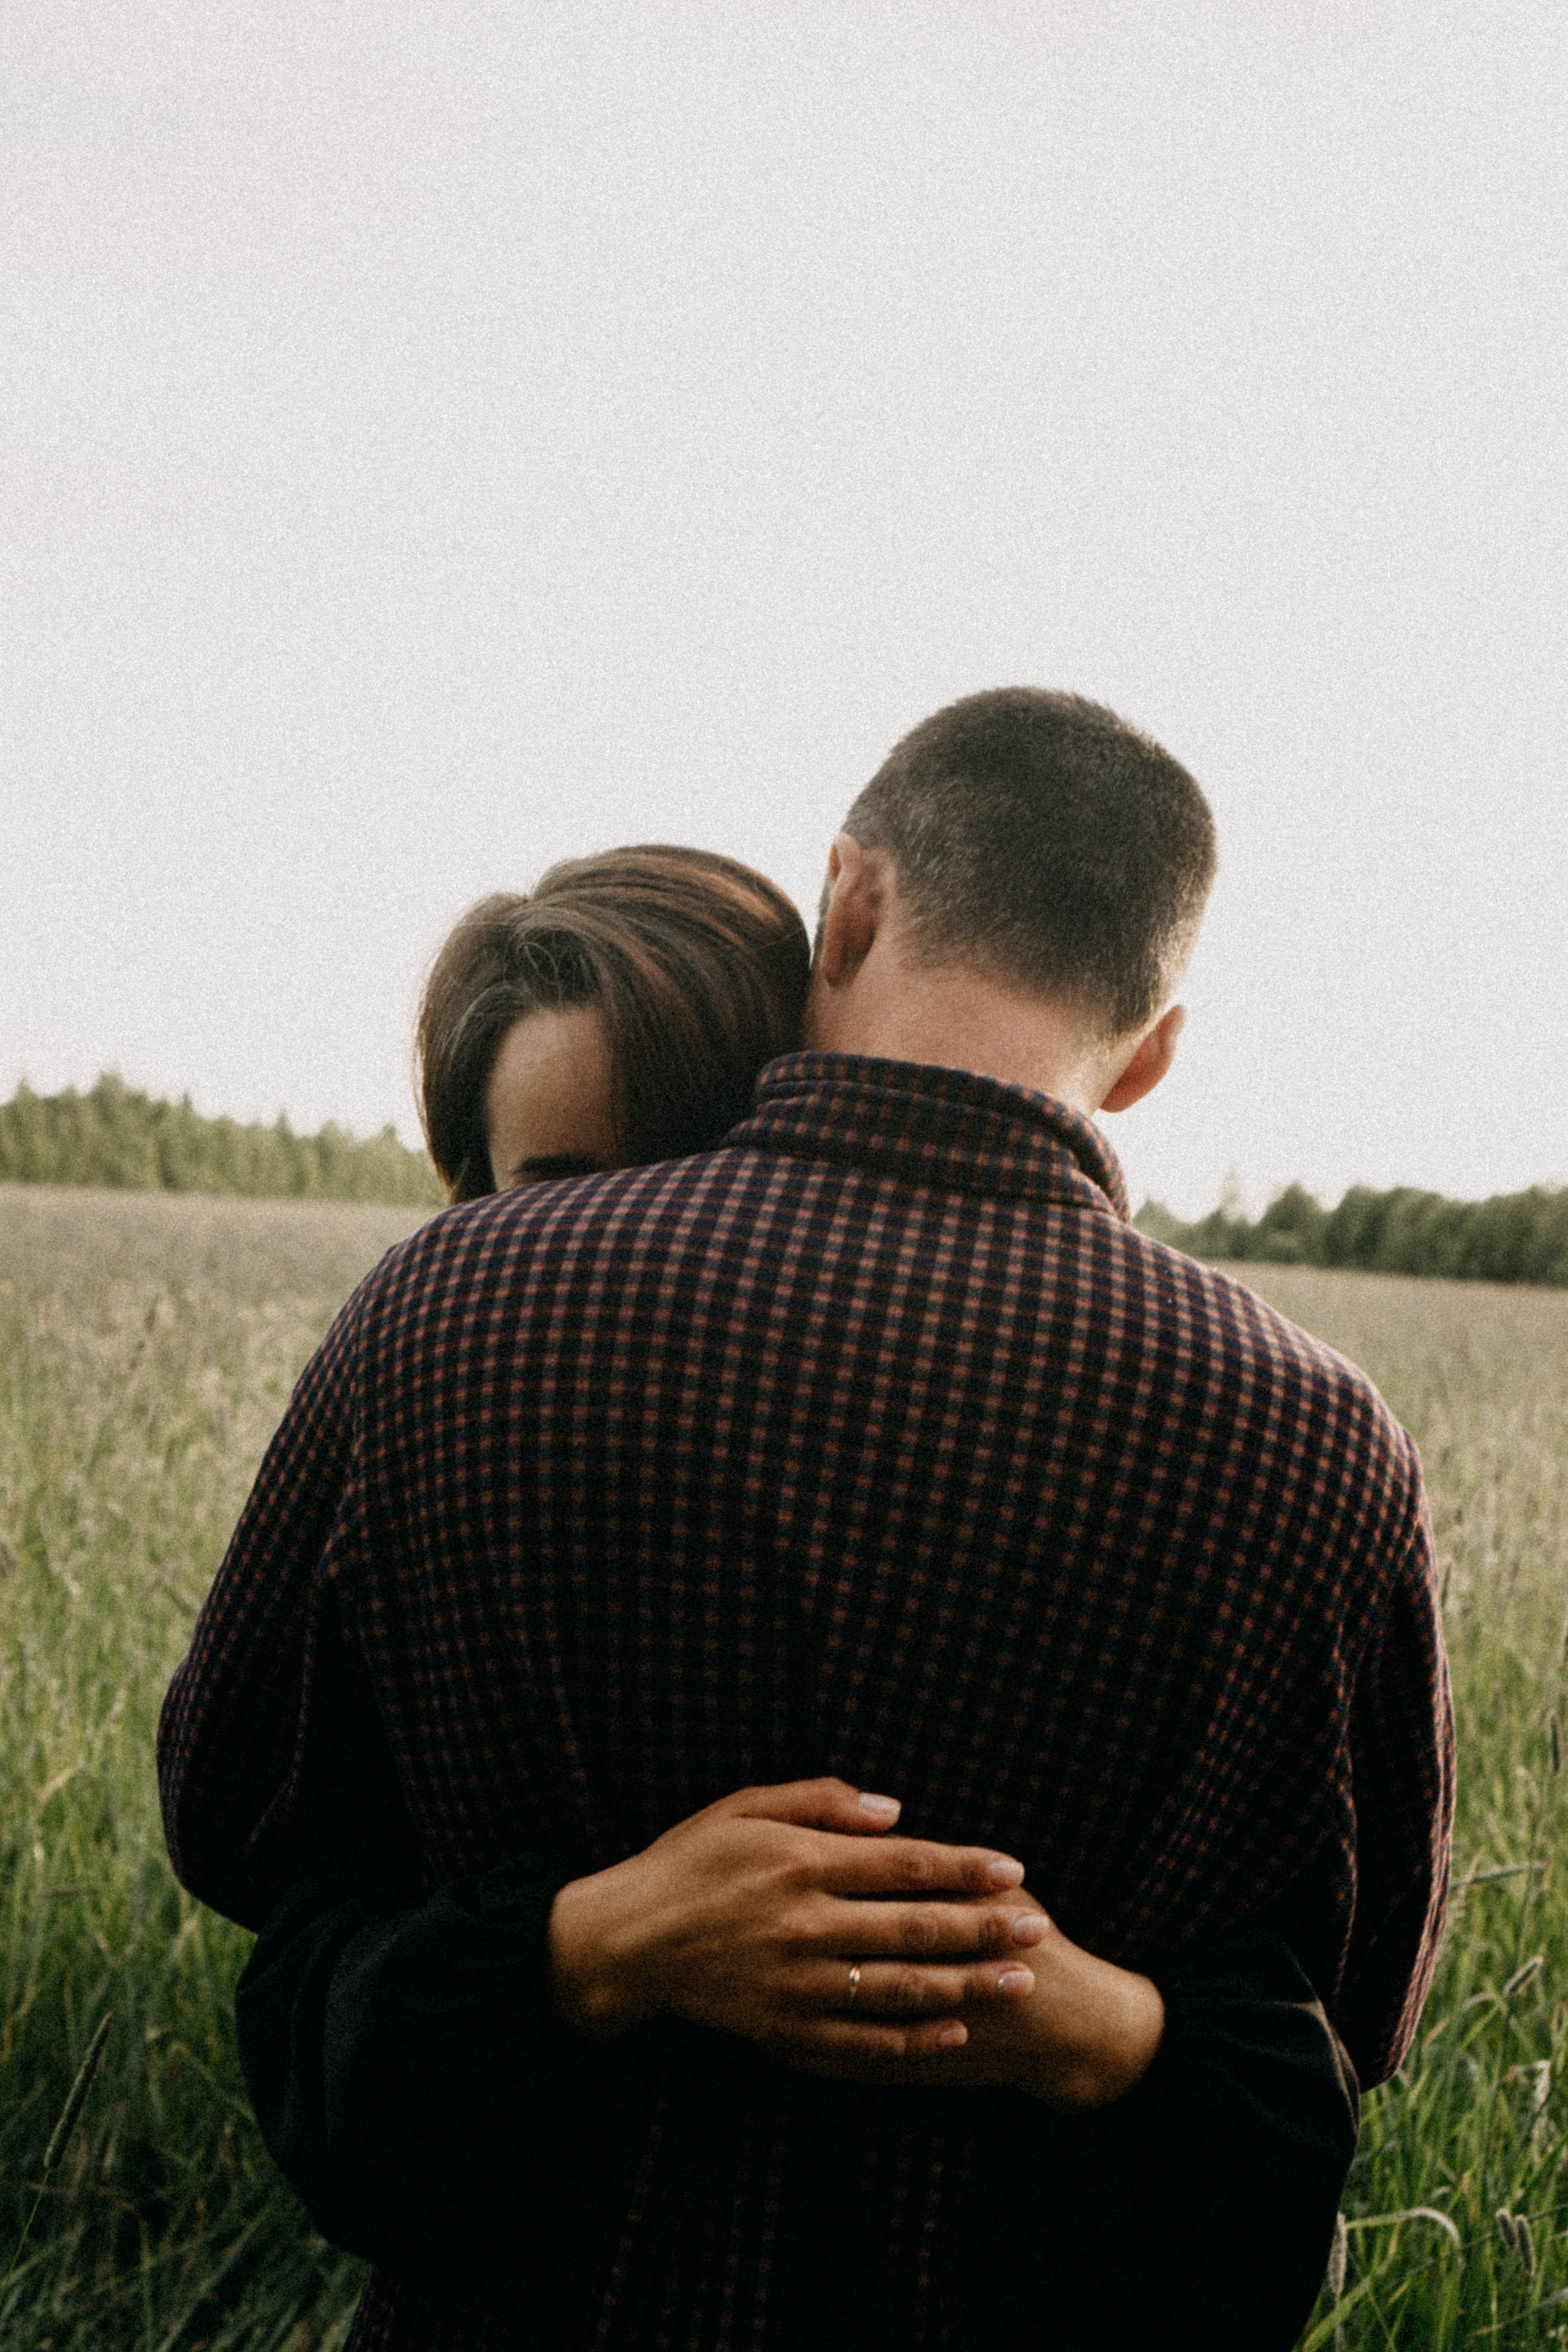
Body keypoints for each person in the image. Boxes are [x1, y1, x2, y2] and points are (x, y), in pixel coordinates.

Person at [159, 691, 1452, 2351]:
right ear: (1151, 1054)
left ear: (846, 905)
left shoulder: (443, 1312)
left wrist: (579, 1948)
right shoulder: (1323, 1447)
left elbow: (241, 1826)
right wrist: (1069, 2015)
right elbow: (1344, 2031)